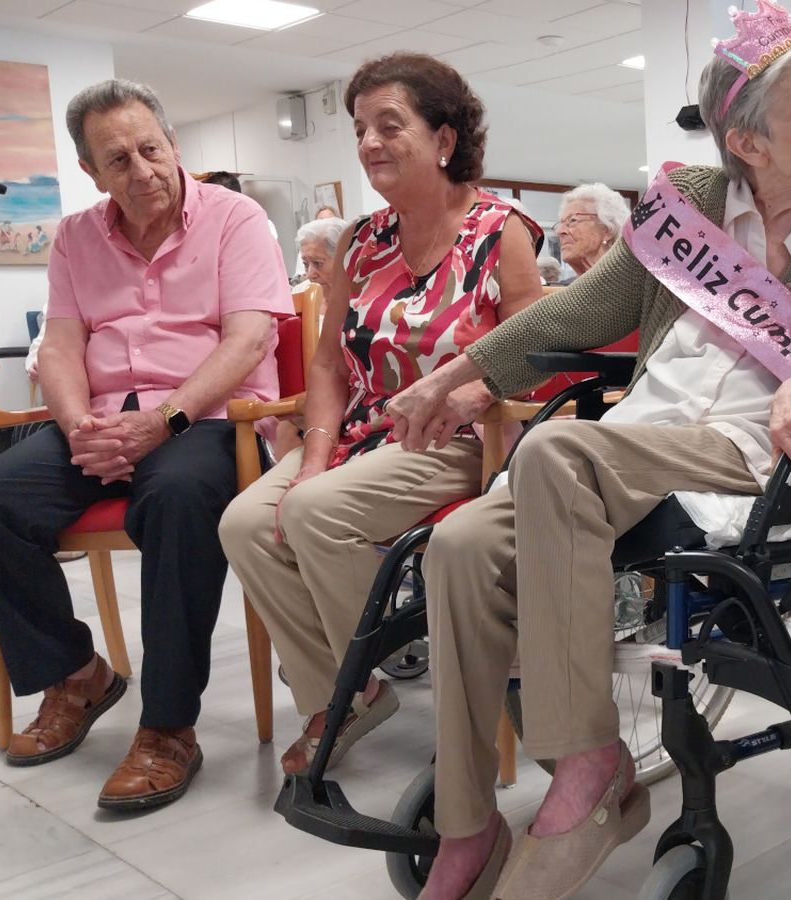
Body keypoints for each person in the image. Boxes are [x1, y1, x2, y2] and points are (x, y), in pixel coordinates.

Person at [396, 4, 791, 896]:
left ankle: (588, 767)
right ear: (746, 141)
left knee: (557, 453)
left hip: (747, 453)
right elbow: (581, 310)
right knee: (457, 545)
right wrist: (456, 374)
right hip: (634, 442)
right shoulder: (688, 208)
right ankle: (469, 822)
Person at [0, 78, 293, 810]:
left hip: (205, 422)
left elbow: (249, 338)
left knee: (175, 495)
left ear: (174, 147)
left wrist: (160, 422)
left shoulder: (235, 218)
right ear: (90, 172)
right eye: (118, 160)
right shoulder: (76, 236)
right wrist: (77, 428)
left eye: (150, 150)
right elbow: (63, 347)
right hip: (103, 420)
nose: (141, 172)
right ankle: (78, 675)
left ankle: (169, 725)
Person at [218, 53, 545, 776]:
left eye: (389, 124)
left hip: (462, 439)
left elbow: (537, 346)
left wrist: (478, 391)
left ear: (445, 138)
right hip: (362, 435)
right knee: (244, 521)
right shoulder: (360, 242)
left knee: (313, 514)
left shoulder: (500, 230)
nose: (369, 142)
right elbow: (330, 363)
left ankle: (376, 663)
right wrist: (311, 453)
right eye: (361, 127)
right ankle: (347, 690)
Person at [552, 182, 628, 280]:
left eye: (573, 220)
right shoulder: (565, 291)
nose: (560, 231)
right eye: (561, 224)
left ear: (607, 230)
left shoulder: (629, 285)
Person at [293, 215, 347, 288]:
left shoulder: (363, 297)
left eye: (318, 263)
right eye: (305, 264)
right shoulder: (300, 295)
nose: (309, 275)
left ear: (345, 259)